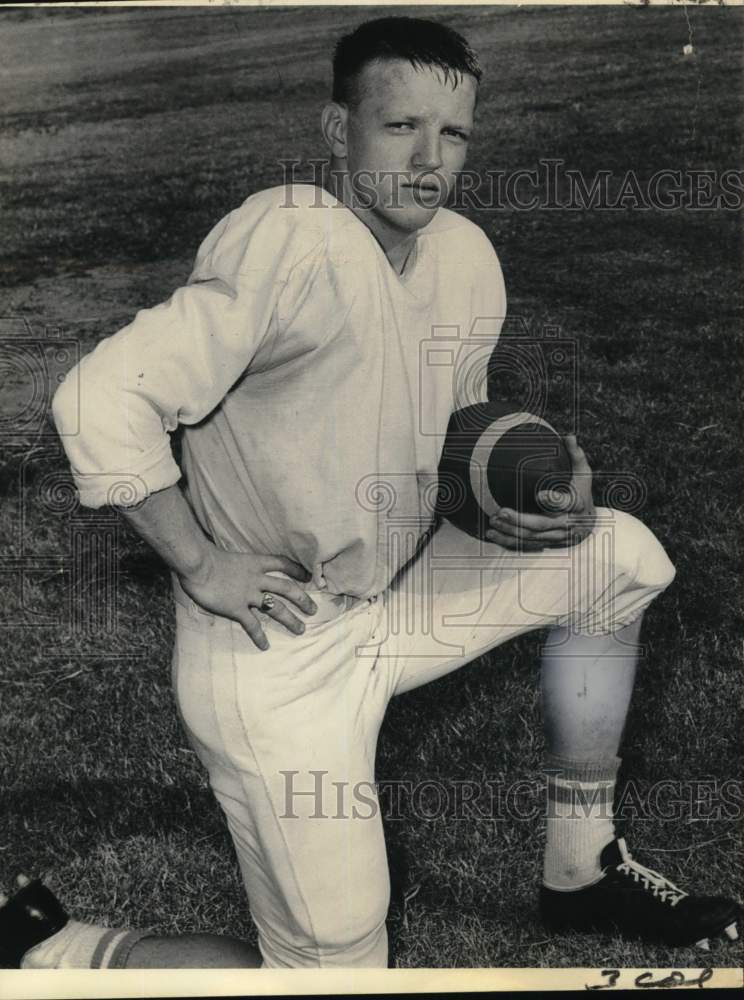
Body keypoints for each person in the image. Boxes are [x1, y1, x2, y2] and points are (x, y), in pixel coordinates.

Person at [1, 15, 738, 971]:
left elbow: (446, 440)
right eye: (400, 128)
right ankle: (54, 953)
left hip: (397, 593)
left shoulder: (466, 255)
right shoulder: (288, 237)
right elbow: (99, 399)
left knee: (620, 555)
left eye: (456, 134)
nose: (431, 159)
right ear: (334, 128)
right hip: (278, 645)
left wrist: (521, 498)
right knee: (339, 970)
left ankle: (581, 868)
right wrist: (201, 561)